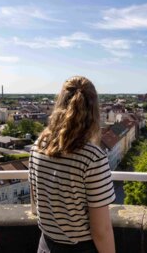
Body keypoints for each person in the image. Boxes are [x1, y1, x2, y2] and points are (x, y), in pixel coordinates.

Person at [29, 76, 116, 253]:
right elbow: (101, 230)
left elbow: (35, 207)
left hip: (46, 245)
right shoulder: (92, 157)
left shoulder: (37, 147)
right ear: (93, 112)